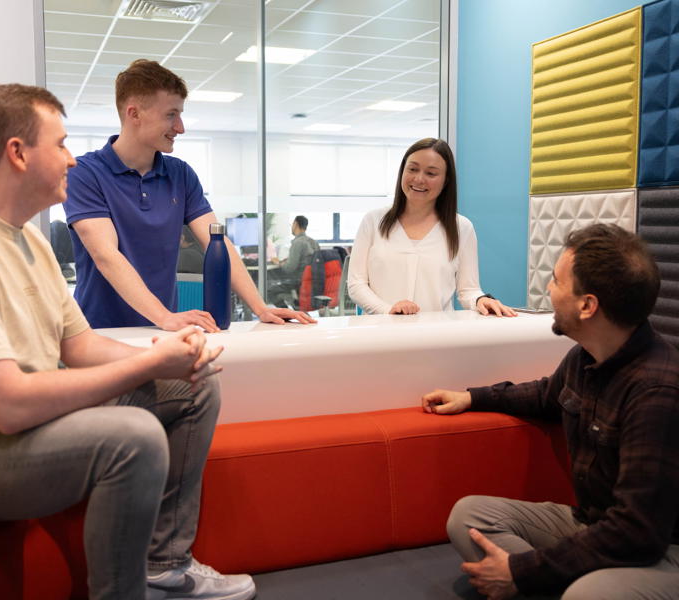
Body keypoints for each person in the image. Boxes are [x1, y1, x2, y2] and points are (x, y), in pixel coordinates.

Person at [0, 83, 256, 600]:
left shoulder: (26, 236)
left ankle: (165, 567)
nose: (73, 160)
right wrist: (149, 365)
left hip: (3, 429)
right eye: (59, 144)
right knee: (133, 436)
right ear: (17, 153)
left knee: (191, 388)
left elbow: (78, 348)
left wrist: (172, 359)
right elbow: (7, 405)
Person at [422, 224, 679, 599]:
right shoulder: (586, 356)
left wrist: (521, 571)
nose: (548, 289)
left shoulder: (657, 392)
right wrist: (472, 398)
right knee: (471, 517)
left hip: (659, 550)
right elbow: (545, 396)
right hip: (594, 525)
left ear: (587, 305)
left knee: (588, 594)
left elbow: (638, 532)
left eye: (556, 281)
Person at [64, 59, 314, 331]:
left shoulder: (180, 175)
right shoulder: (84, 174)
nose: (180, 127)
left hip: (162, 330)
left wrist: (260, 307)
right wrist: (164, 316)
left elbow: (218, 242)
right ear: (134, 114)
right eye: (171, 115)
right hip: (100, 332)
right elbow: (106, 255)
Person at [348, 138, 515, 316]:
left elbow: (468, 290)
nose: (419, 179)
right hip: (379, 335)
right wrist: (388, 310)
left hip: (436, 336)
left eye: (431, 173)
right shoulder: (374, 220)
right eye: (412, 169)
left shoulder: (461, 228)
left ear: (446, 180)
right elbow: (356, 284)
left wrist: (481, 300)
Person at [267, 215, 320, 305]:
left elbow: (289, 268)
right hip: (311, 282)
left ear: (295, 224)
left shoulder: (297, 242)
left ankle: (292, 308)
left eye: (292, 224)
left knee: (269, 291)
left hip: (298, 283)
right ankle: (295, 305)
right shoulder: (313, 242)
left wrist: (279, 263)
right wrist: (286, 261)